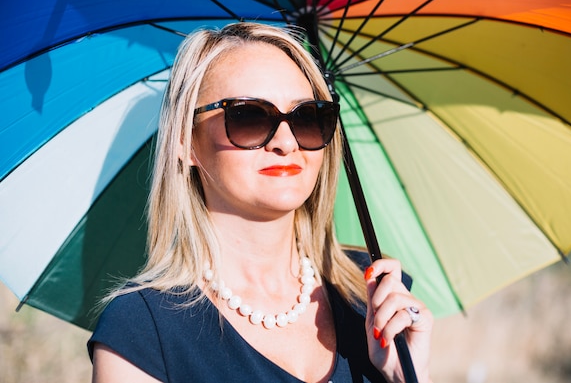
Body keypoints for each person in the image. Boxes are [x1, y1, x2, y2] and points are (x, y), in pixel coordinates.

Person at [88, 22, 434, 383]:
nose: (286, 143)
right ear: (185, 142)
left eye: (307, 117)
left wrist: (410, 375)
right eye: (249, 116)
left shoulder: (374, 297)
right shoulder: (143, 330)